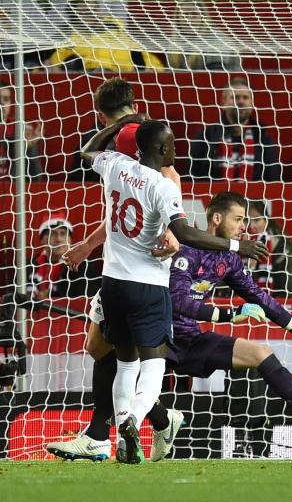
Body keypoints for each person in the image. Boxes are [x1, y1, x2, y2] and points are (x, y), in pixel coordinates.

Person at [77, 118, 268, 464]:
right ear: (162, 149)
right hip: (147, 286)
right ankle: (134, 419)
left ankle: (122, 436)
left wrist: (118, 123)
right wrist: (236, 246)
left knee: (123, 361)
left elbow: (89, 150)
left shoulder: (116, 165)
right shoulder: (162, 185)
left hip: (112, 284)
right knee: (153, 365)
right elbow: (187, 233)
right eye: (173, 143)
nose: (177, 148)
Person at [47, 79, 181, 463]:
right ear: (134, 101)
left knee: (113, 349)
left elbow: (168, 181)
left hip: (137, 268)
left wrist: (173, 233)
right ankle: (155, 420)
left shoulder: (129, 136)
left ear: (98, 112)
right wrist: (89, 245)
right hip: (122, 263)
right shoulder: (139, 130)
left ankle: (100, 435)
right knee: (100, 346)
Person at [164, 193, 292, 442]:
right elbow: (177, 302)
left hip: (189, 339)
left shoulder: (228, 259)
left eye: (244, 220)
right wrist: (230, 314)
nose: (243, 226)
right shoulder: (187, 252)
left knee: (261, 353)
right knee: (128, 386)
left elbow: (258, 296)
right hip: (158, 340)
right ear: (216, 218)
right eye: (237, 219)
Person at [188, 77, 281, 182]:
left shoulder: (263, 139)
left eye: (245, 97)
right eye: (235, 97)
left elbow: (273, 180)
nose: (240, 102)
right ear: (223, 102)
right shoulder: (205, 137)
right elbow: (192, 177)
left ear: (252, 103)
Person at [27, 215, 99, 298]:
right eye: (52, 234)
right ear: (42, 239)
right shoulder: (28, 266)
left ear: (70, 240)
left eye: (63, 234)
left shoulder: (82, 265)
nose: (58, 239)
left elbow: (84, 302)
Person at [246, 199, 292, 297]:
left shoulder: (280, 247)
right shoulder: (234, 245)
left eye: (257, 220)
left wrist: (251, 267)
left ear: (266, 220)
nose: (251, 226)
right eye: (246, 220)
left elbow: (289, 291)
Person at [0, 79, 43, 180]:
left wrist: (29, 147)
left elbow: (36, 178)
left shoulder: (19, 129)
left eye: (6, 99)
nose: (2, 104)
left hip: (12, 192)